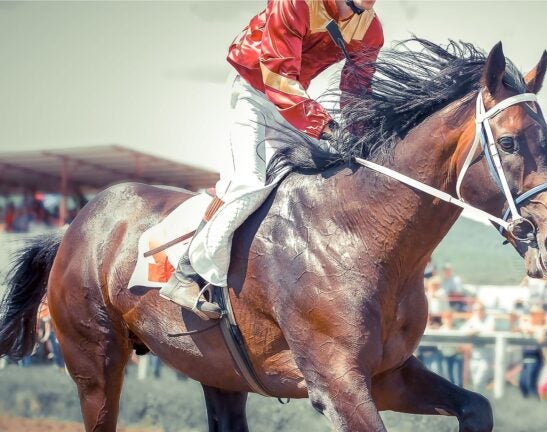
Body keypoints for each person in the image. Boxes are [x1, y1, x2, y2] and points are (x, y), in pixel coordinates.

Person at [160, 0, 384, 319]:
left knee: (334, 172)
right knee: (247, 183)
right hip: (253, 92)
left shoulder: (370, 29)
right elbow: (277, 75)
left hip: (293, 104)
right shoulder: (295, 3)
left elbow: (357, 88)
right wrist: (327, 127)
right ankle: (186, 274)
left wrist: (362, 134)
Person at [461, 302, 495, 390]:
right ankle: (483, 401)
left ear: (484, 310)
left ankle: (482, 401)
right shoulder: (473, 319)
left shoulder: (489, 319)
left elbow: (490, 330)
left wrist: (475, 330)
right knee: (476, 383)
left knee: (479, 382)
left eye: (481, 309)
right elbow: (462, 330)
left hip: (486, 356)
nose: (478, 311)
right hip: (474, 356)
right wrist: (470, 331)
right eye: (476, 310)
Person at [518, 306, 547, 398]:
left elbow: (541, 338)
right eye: (532, 314)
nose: (532, 316)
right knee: (522, 383)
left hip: (535, 356)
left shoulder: (542, 327)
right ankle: (526, 403)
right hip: (526, 356)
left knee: (530, 382)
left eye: (535, 314)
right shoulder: (526, 324)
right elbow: (521, 326)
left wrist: (534, 331)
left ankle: (535, 402)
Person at [437, 310, 464, 387]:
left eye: (449, 318)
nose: (448, 320)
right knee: (448, 379)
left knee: (457, 380)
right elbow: (439, 345)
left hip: (456, 356)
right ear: (443, 319)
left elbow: (460, 345)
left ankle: (459, 397)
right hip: (445, 356)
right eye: (446, 318)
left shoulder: (456, 330)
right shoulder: (440, 330)